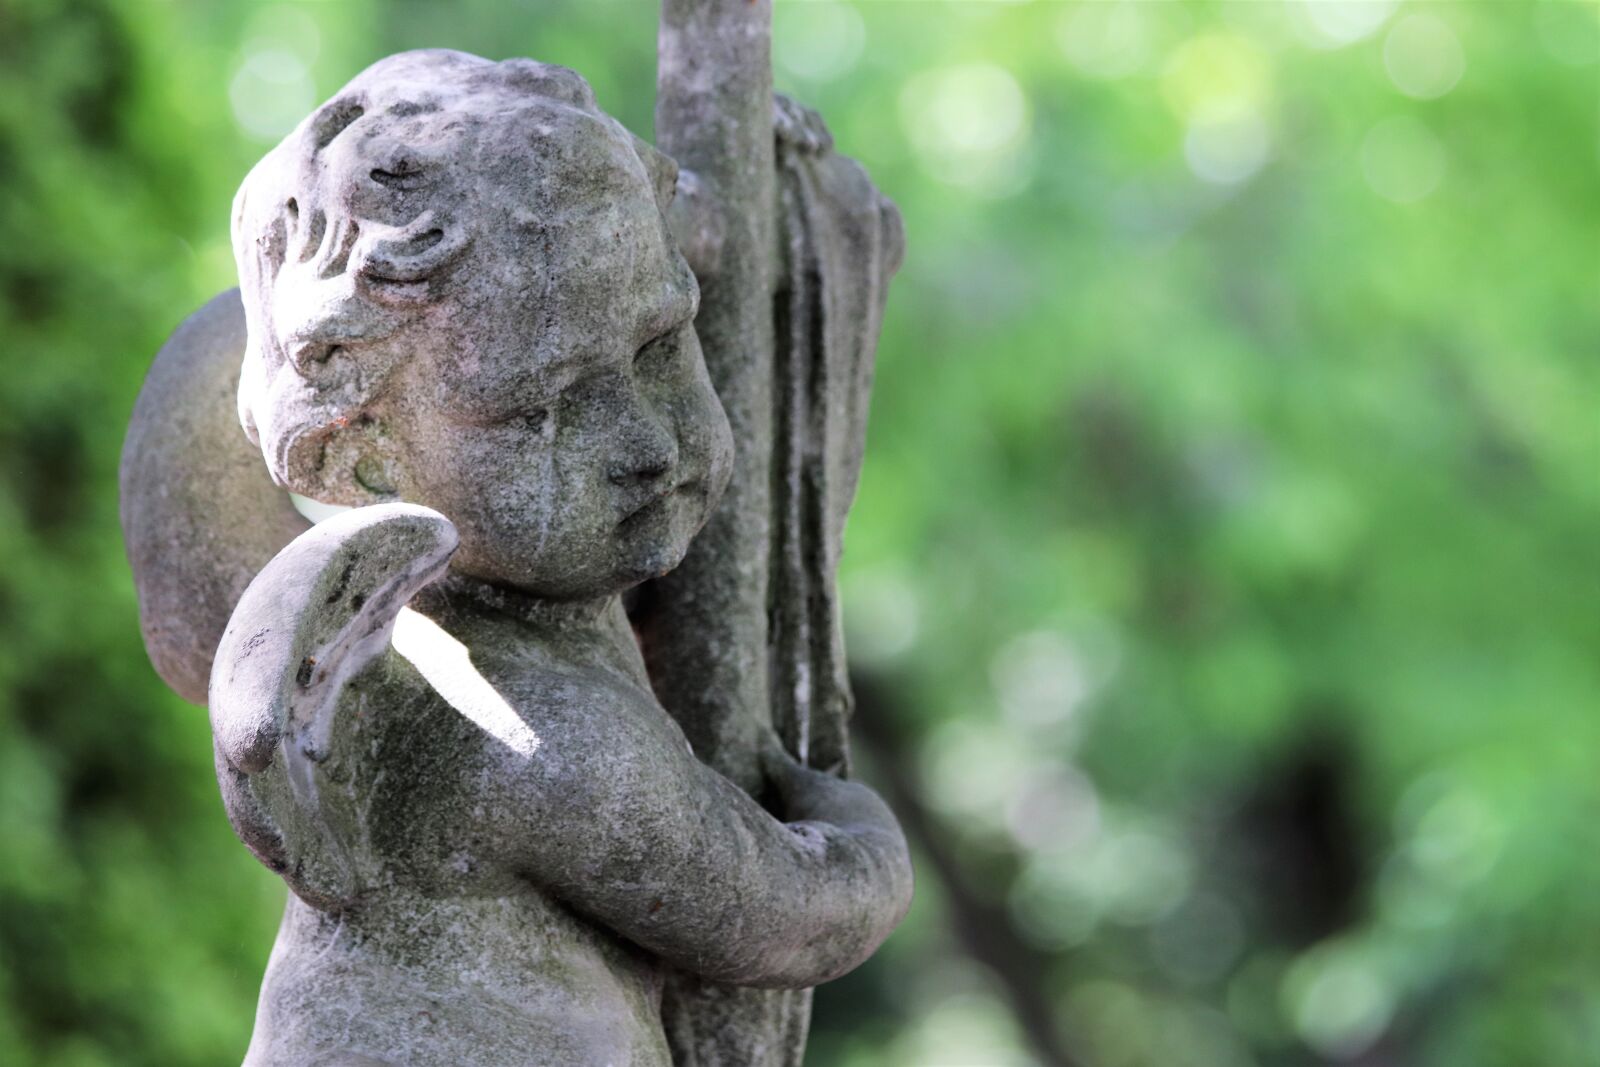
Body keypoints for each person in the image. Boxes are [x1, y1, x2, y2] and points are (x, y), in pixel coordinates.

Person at [210, 50, 912, 1067]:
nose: (645, 442)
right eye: (544, 408)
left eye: (664, 343)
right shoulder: (529, 731)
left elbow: (660, 246)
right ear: (362, 457)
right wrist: (848, 817)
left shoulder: (462, 631)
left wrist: (756, 191)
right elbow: (791, 915)